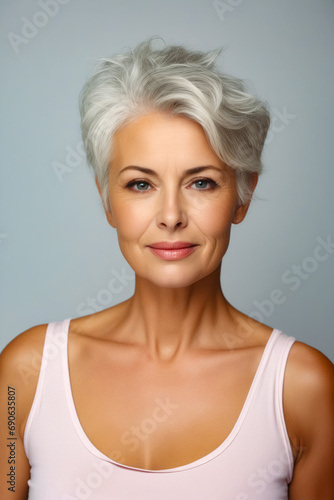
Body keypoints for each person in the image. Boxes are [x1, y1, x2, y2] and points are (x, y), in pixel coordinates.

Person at [0, 38, 333, 500]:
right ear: (106, 199)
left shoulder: (303, 387)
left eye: (202, 182)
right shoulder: (25, 375)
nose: (171, 215)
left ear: (243, 194)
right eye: (140, 184)